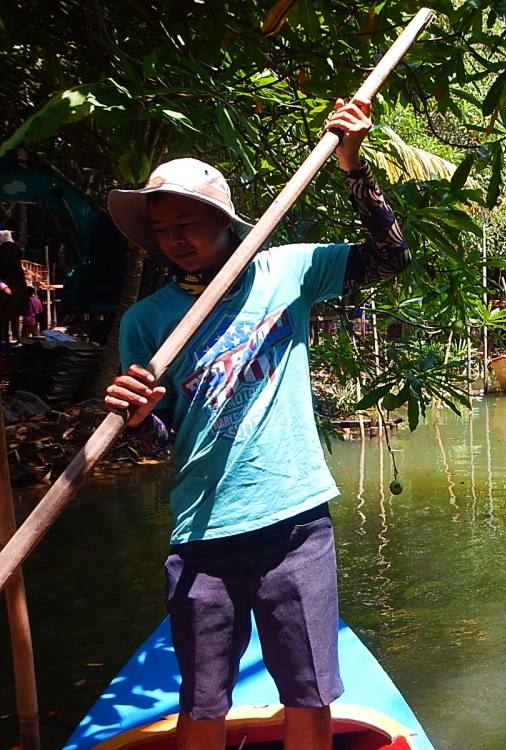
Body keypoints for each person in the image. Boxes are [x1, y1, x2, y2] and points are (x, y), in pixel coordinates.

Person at [103, 97, 408, 750]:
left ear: (224, 222)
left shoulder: (287, 271)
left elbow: (390, 257)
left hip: (294, 524)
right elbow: (160, 445)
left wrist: (355, 168)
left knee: (309, 693)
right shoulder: (147, 323)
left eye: (189, 223)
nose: (176, 239)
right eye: (163, 229)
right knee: (202, 702)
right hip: (203, 535)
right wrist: (138, 420)